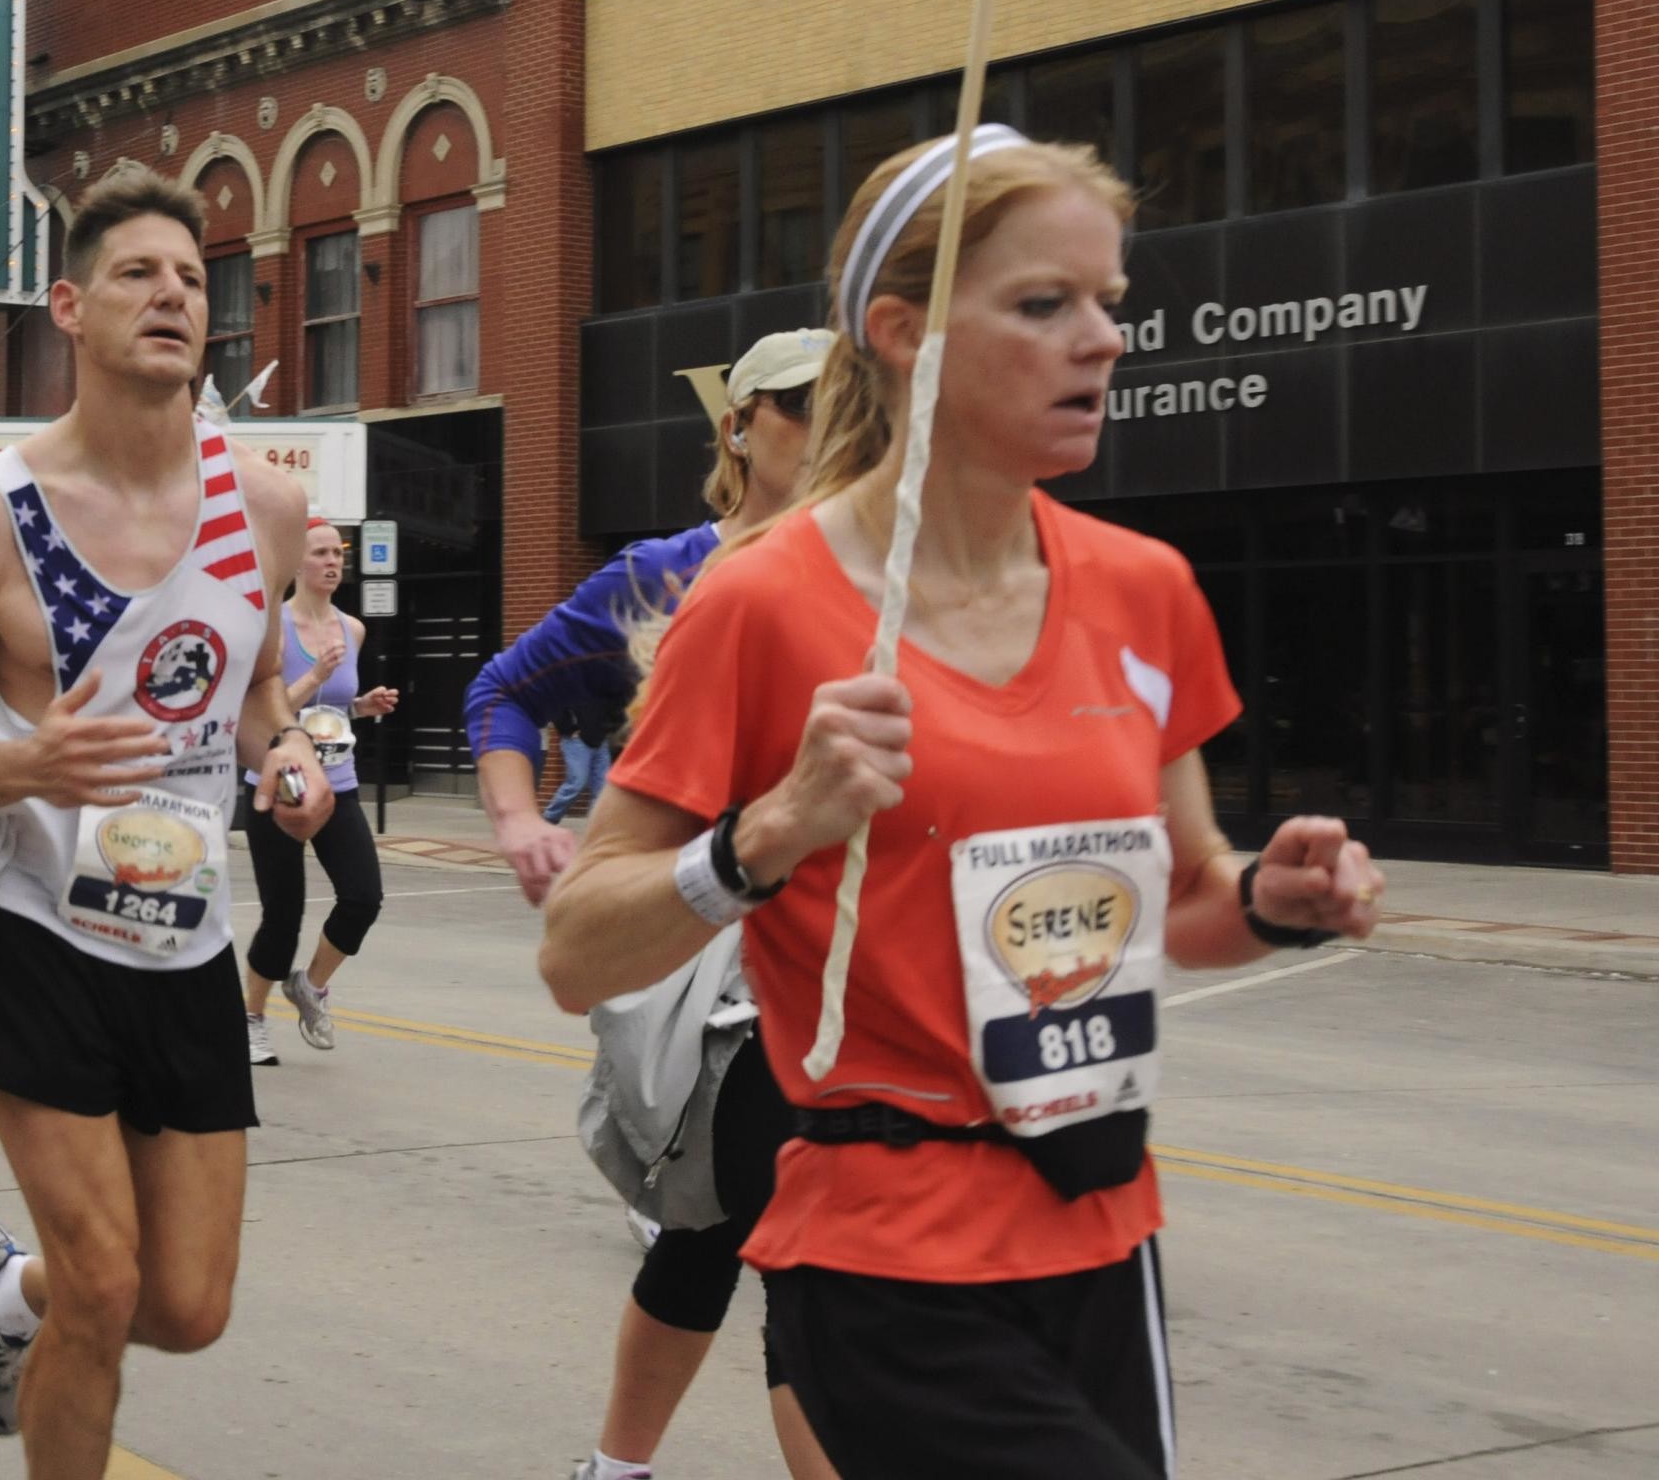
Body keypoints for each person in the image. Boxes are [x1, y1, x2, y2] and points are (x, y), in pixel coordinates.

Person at [542, 135, 1389, 1479]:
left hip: (1099, 1215)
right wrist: (769, 834)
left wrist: (1272, 902)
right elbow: (577, 949)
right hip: (885, 1242)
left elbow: (1183, 900)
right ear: (902, 334)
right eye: (1045, 304)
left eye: (1110, 300)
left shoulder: (1146, 589)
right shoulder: (762, 602)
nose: (1102, 339)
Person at [0, 167, 334, 1477]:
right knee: (109, 1283)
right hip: (28, 924)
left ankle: (4, 1292)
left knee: (187, 1305)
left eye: (190, 276)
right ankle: (52, 1305)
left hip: (183, 933)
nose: (173, 293)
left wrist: (290, 756)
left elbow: (256, 690)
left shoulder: (268, 507)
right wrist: (29, 766)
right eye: (138, 272)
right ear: (70, 307)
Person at [466, 327, 838, 1480]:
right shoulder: (672, 574)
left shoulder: (896, 570)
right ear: (740, 427)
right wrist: (520, 820)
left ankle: (614, 1467)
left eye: (854, 402)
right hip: (719, 963)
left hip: (864, 959)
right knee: (787, 1247)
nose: (830, 424)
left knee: (717, 1234)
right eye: (800, 403)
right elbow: (505, 688)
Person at [240, 519, 398, 1065]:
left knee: (363, 897)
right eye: (321, 553)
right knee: (282, 915)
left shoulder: (352, 629)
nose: (333, 562)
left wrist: (361, 707)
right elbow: (262, 710)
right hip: (280, 785)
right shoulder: (274, 628)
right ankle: (252, 1018)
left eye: (338, 553)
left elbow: (331, 708)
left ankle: (309, 985)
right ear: (296, 563)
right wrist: (314, 677)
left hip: (337, 784)